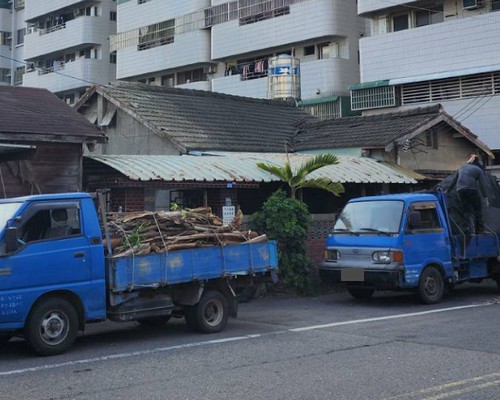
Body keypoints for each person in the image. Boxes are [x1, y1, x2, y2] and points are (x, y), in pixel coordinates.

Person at [448, 154, 488, 233]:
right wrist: (485, 198)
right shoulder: (478, 170)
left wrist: (447, 191)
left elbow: (453, 181)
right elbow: (483, 185)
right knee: (477, 209)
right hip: (471, 189)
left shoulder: (462, 167)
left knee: (467, 210)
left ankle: (468, 229)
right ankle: (480, 230)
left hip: (460, 190)